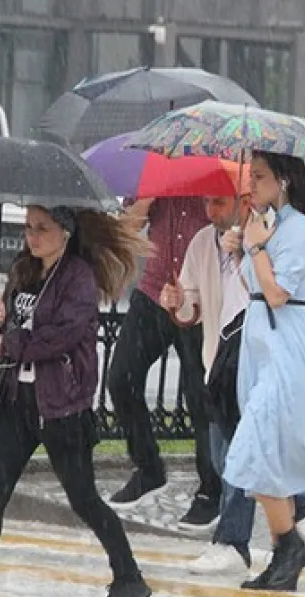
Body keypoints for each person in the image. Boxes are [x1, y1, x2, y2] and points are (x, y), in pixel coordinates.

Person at [0, 205, 153, 597]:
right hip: (16, 404)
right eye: (28, 227)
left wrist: (9, 343)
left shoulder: (78, 276)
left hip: (62, 407)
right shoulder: (24, 269)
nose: (32, 236)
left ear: (65, 230)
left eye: (42, 228)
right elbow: (12, 325)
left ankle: (129, 578)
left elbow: (61, 336)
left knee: (84, 500)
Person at [157, 189, 305, 576]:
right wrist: (175, 303)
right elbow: (191, 309)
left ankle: (232, 541)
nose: (210, 210)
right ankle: (303, 501)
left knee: (241, 456)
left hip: (262, 366)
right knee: (226, 458)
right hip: (220, 367)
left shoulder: (275, 236)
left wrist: (255, 262)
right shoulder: (203, 244)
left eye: (218, 202)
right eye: (208, 203)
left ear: (242, 201)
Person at [220, 152, 305, 592]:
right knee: (265, 452)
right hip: (258, 341)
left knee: (254, 448)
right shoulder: (267, 221)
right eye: (249, 176)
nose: (250, 184)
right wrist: (242, 248)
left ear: (284, 180)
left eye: (259, 177)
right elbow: (253, 287)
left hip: (285, 343)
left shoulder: (297, 228)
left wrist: (256, 247)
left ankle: (290, 544)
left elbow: (278, 293)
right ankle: (285, 555)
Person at [107, 196, 221, 531]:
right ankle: (148, 468)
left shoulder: (213, 171)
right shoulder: (156, 171)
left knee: (200, 397)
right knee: (121, 378)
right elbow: (125, 230)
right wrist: (147, 198)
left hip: (197, 296)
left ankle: (211, 490)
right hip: (154, 292)